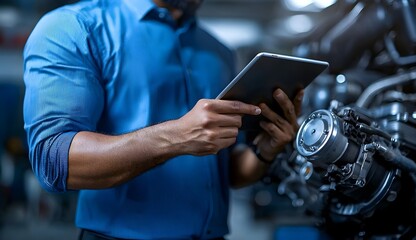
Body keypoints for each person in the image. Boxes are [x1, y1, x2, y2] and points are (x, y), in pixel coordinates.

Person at [23, 0, 304, 239]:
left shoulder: (218, 51)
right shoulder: (74, 28)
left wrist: (264, 151)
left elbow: (226, 171)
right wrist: (177, 136)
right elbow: (54, 161)